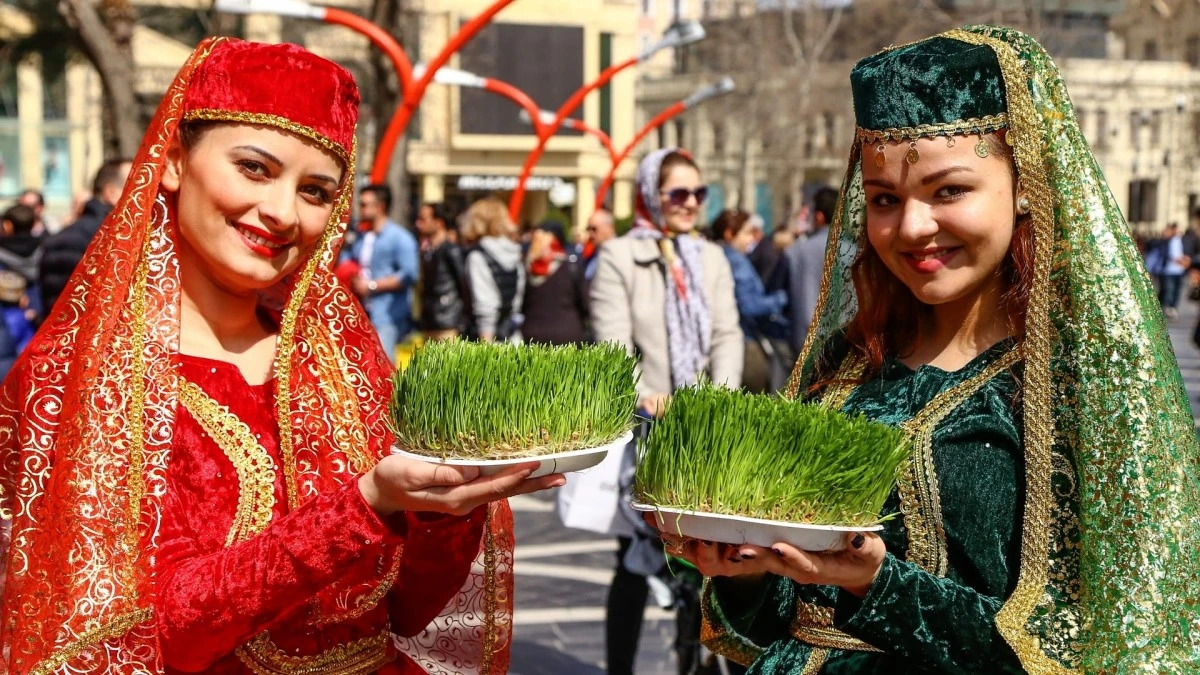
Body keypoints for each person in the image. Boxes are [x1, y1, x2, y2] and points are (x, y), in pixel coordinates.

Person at [0, 38, 563, 672]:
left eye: (317, 192)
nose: (281, 211)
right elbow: (150, 635)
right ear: (175, 160)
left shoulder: (343, 368)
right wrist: (365, 503)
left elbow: (408, 609)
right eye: (255, 168)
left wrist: (450, 508)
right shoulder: (81, 380)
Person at [660, 26, 1199, 673]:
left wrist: (881, 584)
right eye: (886, 199)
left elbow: (1101, 649)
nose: (912, 227)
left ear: (1024, 180)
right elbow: (769, 626)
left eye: (949, 190)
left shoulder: (1074, 392)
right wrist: (739, 568)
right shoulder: (846, 364)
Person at [591, 147, 743, 675]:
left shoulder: (712, 257)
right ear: (650, 194)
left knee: (706, 563)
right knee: (635, 561)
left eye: (698, 194)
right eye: (678, 193)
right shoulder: (617, 257)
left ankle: (694, 661)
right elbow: (613, 347)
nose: (690, 204)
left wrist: (715, 398)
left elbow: (727, 333)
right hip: (647, 431)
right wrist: (645, 393)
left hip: (706, 431)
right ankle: (619, 667)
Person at [37, 157, 131, 315]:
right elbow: (69, 312)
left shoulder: (120, 233)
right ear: (111, 193)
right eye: (137, 185)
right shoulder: (91, 238)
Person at [711, 209, 790, 393]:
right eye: (747, 233)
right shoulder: (734, 260)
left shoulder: (720, 256)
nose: (751, 238)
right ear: (729, 234)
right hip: (745, 342)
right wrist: (781, 298)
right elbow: (749, 306)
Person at [350, 184, 419, 362]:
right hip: (360, 314)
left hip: (387, 316)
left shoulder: (399, 238)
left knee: (384, 367)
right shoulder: (361, 237)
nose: (361, 209)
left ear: (380, 207)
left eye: (365, 204)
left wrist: (372, 286)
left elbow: (410, 274)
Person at [781, 186, 838, 353]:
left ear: (819, 217)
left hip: (804, 344)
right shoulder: (858, 252)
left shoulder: (795, 252)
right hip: (848, 345)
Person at [461, 197, 525, 343]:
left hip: (489, 341)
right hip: (513, 338)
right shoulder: (515, 252)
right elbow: (517, 301)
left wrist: (485, 353)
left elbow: (485, 307)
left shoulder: (478, 256)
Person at [522, 219, 589, 345]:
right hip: (568, 335)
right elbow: (584, 301)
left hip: (532, 336)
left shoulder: (526, 267)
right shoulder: (570, 266)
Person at [416, 201, 471, 340]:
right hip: (430, 321)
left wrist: (463, 320)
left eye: (423, 219)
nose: (418, 224)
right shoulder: (429, 251)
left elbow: (464, 285)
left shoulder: (451, 251)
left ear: (438, 223)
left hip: (448, 322)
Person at [0, 204, 43, 323]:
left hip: (7, 320)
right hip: (39, 315)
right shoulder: (45, 250)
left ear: (7, 226)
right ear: (34, 224)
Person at [1155, 222, 1187, 319]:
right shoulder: (1165, 241)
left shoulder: (1182, 240)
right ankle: (1166, 308)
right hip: (1167, 270)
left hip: (1179, 270)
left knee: (1176, 290)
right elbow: (1166, 254)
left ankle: (1172, 308)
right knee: (1168, 289)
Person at [584, 207, 617, 281]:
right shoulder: (593, 255)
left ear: (609, 228)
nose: (590, 234)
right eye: (588, 229)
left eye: (594, 229)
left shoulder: (621, 254)